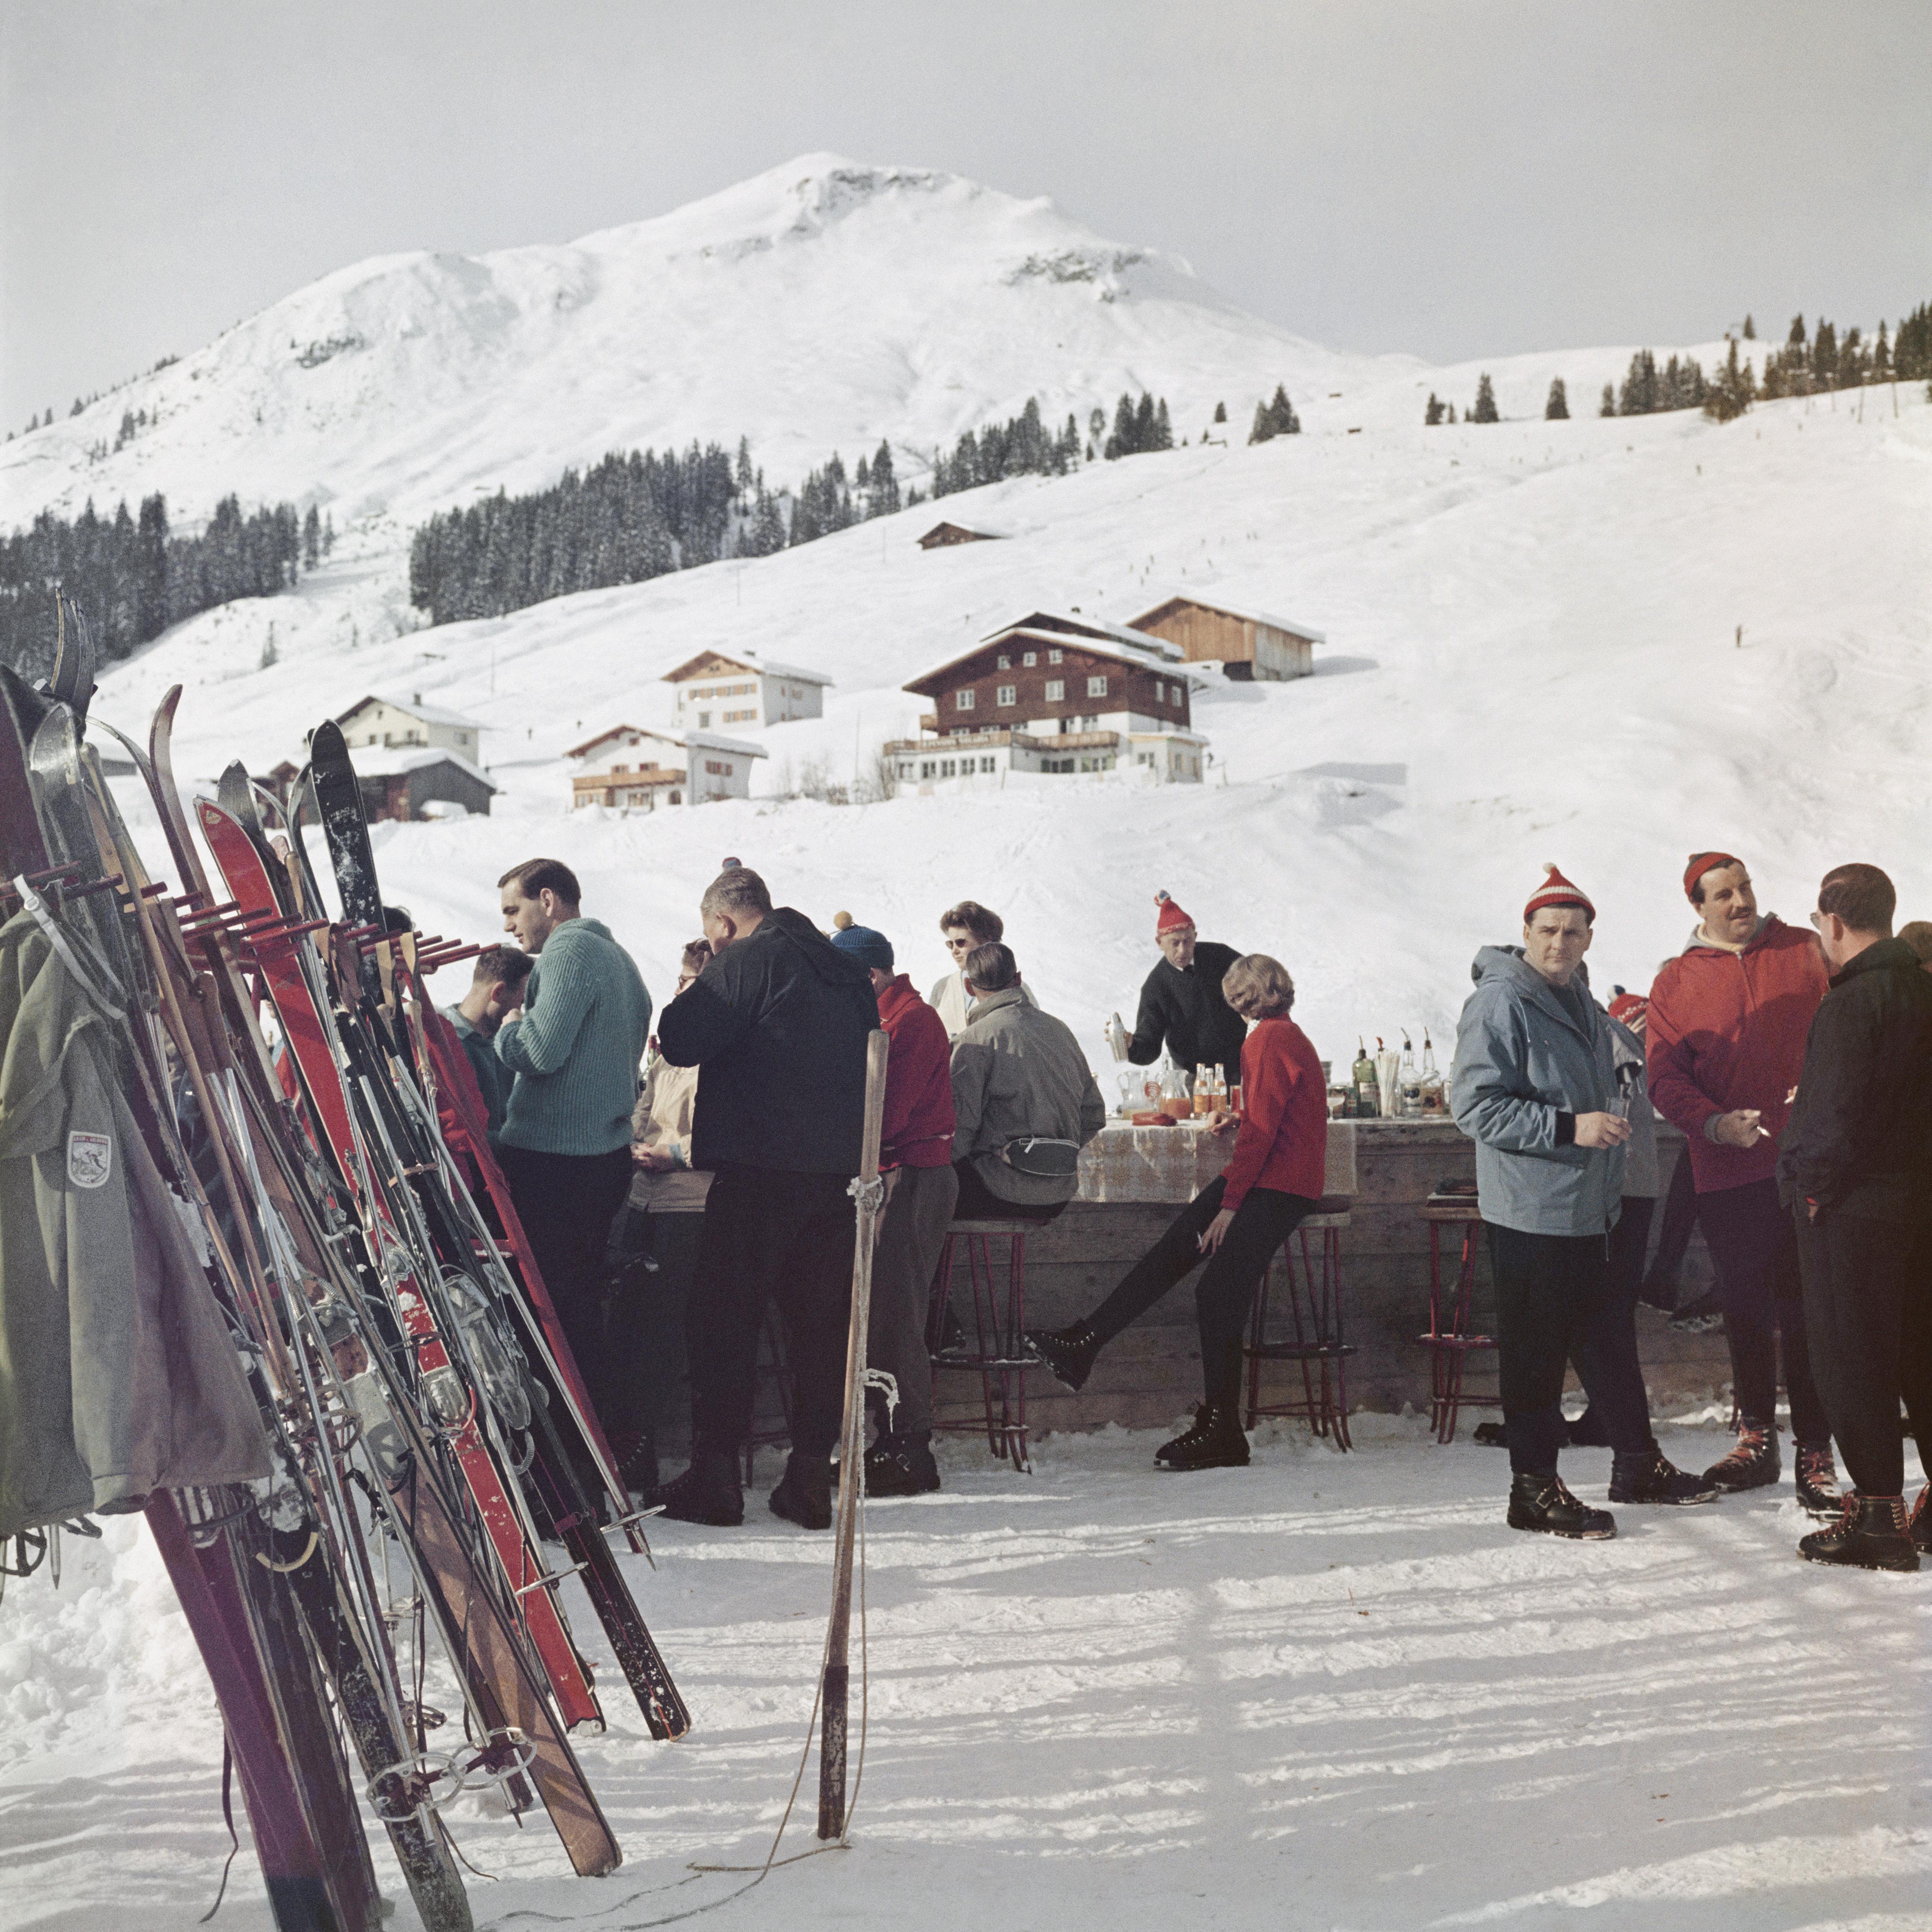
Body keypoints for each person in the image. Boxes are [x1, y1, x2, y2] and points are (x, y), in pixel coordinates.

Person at [1451, 864, 1715, 1540]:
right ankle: (1532, 1489)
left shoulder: (1579, 998)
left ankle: (1636, 1464)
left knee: (1601, 1333)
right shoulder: (1501, 1002)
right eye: (1548, 930)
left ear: (1589, 938)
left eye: (1572, 932)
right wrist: (1570, 1128)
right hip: (1532, 1208)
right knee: (1534, 1350)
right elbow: (1474, 1106)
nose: (1559, 943)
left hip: (1587, 1209)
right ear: (1526, 932)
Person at [1027, 954, 1326, 1471]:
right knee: (1178, 1245)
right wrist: (1239, 1115)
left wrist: (1230, 1207)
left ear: (1242, 1000)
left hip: (1277, 1185)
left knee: (1217, 1290)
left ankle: (1223, 1429)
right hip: (1274, 1178)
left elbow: (1262, 1136)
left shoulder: (1266, 1040)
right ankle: (1086, 1340)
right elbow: (1274, 1115)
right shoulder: (1287, 1035)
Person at [654, 866, 879, 1531]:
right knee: (820, 1332)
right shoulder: (844, 970)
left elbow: (681, 1039)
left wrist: (700, 981)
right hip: (836, 1177)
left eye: (711, 937)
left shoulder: (748, 958)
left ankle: (717, 1479)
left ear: (723, 924)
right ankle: (809, 1480)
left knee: (723, 1322)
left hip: (759, 1172)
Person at [1645, 851, 1840, 1511]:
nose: (1740, 901)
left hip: (1810, 1166)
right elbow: (1664, 1078)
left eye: (1745, 887)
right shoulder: (1675, 982)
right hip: (1727, 1171)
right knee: (1746, 1307)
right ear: (1698, 907)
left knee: (1808, 1309)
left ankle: (1816, 1448)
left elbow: (1850, 1035)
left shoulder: (1806, 951)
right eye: (1723, 894)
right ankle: (1757, 1438)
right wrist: (1713, 1123)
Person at [1778, 864, 1932, 1571]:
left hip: (1856, 1211)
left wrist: (1809, 1189)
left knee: (1852, 1356)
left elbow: (1830, 1121)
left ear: (1833, 923)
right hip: (1922, 1207)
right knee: (1922, 1353)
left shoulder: (1848, 1004)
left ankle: (1877, 1518)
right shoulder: (1926, 991)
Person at [494, 858, 651, 1453]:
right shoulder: (620, 958)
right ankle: (604, 1436)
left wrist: (509, 1027)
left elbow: (538, 1050)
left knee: (551, 1309)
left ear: (548, 900)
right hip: (602, 1156)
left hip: (555, 1160)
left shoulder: (568, 952)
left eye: (514, 910)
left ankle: (568, 1443)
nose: (509, 926)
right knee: (580, 1302)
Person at [828, 917, 957, 1498]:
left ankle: (911, 1445)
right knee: (882, 1307)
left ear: (870, 975)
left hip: (914, 1175)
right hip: (895, 1174)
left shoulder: (910, 1020)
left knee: (897, 1309)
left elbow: (888, 1114)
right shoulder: (883, 1016)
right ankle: (891, 1436)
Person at [603, 939, 713, 1500]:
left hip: (688, 1203)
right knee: (627, 1324)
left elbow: (723, 1135)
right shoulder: (670, 1055)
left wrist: (674, 1155)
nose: (678, 990)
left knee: (659, 1332)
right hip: (644, 1197)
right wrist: (632, 1144)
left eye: (688, 981)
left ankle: (643, 1448)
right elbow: (643, 1113)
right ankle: (626, 1441)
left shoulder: (721, 1054)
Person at [948, 942, 1105, 1224]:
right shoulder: (1060, 1030)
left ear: (969, 987)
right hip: (1059, 1196)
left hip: (998, 1191)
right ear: (1018, 979)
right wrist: (1051, 1157)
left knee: (916, 1191)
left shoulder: (974, 1040)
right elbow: (1093, 1115)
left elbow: (960, 1132)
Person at [1126, 890, 1249, 1088]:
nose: (1183, 950)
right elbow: (1149, 1047)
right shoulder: (1156, 986)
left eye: (1188, 941)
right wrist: (1131, 1045)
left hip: (1244, 1067)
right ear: (1160, 943)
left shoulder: (1222, 957)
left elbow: (1258, 984)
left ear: (1196, 937)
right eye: (1175, 943)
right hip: (1195, 1078)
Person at [442, 944, 533, 1143]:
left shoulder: (506, 1044)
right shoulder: (442, 1044)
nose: (521, 1012)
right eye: (521, 1002)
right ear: (498, 992)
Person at [929, 900, 1038, 1035]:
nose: (954, 951)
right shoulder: (942, 987)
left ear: (985, 940)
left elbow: (1032, 1034)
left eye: (961, 943)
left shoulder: (1016, 988)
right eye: (950, 944)